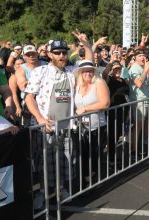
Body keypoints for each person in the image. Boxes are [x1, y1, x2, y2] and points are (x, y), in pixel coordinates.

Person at [24, 30, 92, 208]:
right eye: (57, 52)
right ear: (49, 54)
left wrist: (86, 45)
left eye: (64, 52)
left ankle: (60, 189)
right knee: (44, 164)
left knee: (64, 162)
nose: (62, 55)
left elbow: (89, 63)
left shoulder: (71, 72)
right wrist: (39, 118)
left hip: (66, 126)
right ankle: (42, 193)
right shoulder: (40, 72)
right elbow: (29, 97)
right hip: (44, 127)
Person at [73, 60, 110, 182]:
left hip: (96, 126)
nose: (88, 73)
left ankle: (91, 180)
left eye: (90, 70)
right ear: (80, 73)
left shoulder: (99, 83)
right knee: (83, 155)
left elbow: (105, 103)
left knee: (93, 155)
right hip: (80, 127)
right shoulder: (77, 85)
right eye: (85, 71)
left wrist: (85, 109)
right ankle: (85, 178)